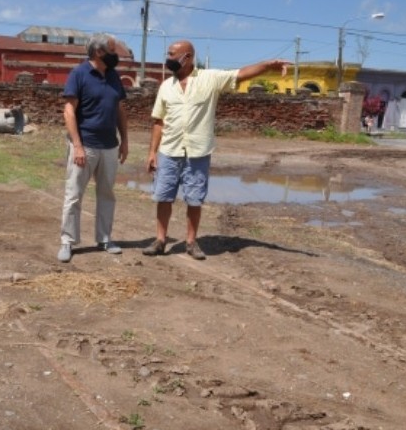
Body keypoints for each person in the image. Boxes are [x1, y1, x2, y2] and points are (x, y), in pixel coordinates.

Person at [142, 40, 289, 260]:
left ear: (187, 57)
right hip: (169, 151)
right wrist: (152, 152)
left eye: (172, 54)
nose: (168, 58)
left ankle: (191, 243)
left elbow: (240, 74)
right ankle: (160, 240)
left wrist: (267, 65)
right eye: (168, 54)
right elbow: (158, 122)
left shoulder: (210, 79)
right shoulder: (165, 86)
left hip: (197, 152)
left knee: (194, 199)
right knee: (163, 197)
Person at [57, 32, 129, 263]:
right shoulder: (78, 74)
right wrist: (77, 146)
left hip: (109, 147)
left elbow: (119, 110)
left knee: (107, 194)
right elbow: (69, 111)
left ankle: (105, 238)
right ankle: (67, 241)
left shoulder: (114, 77)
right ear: (99, 52)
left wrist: (125, 140)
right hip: (85, 146)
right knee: (74, 195)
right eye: (112, 50)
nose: (116, 55)